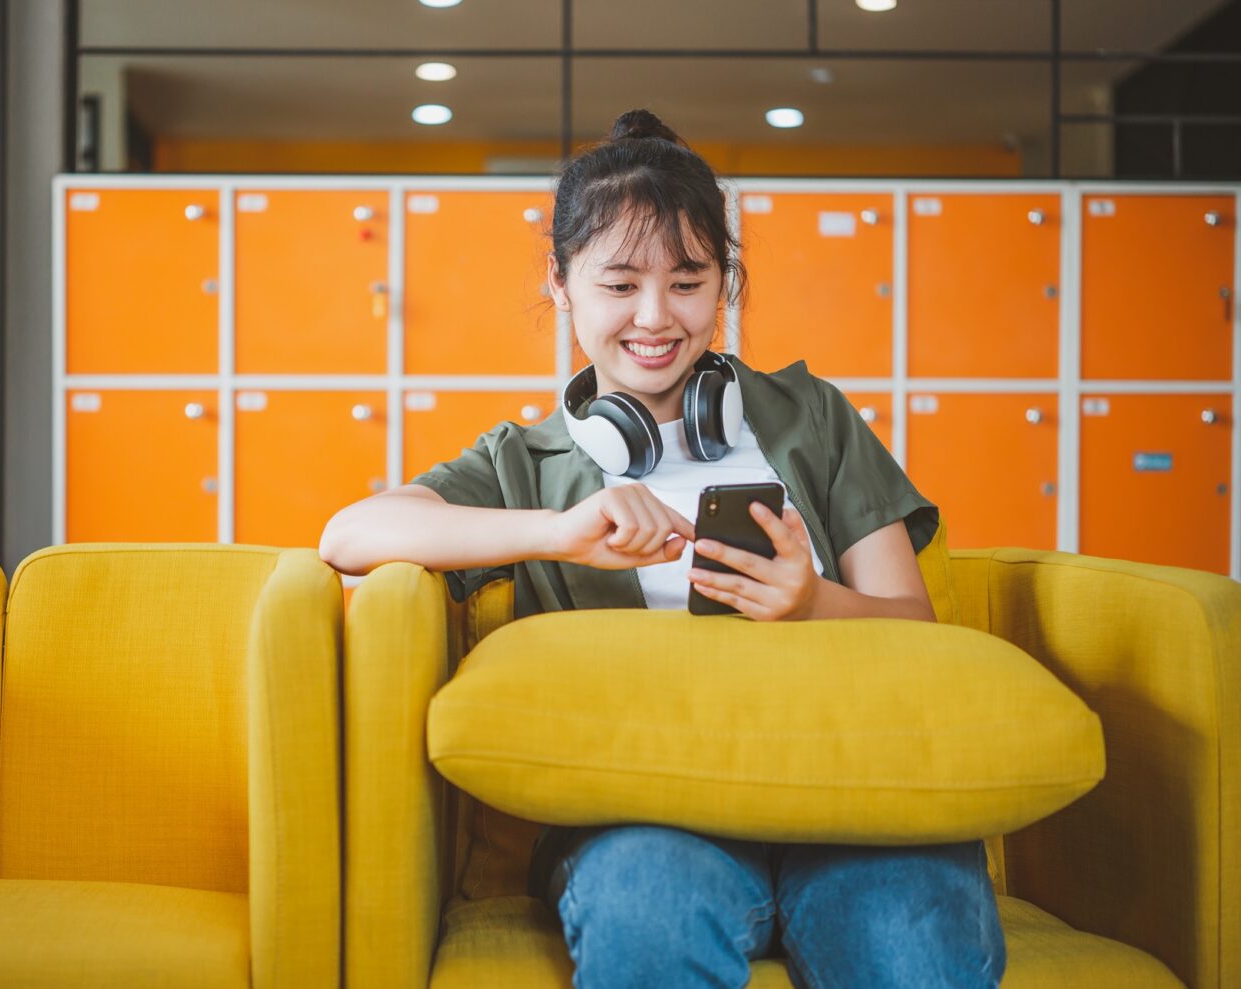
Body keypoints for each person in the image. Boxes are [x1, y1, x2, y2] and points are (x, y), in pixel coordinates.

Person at [320, 109, 1006, 989]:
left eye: (689, 281)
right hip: (644, 817)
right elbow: (351, 534)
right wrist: (559, 530)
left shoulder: (812, 417)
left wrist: (813, 603)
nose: (657, 317)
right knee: (649, 909)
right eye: (619, 285)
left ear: (725, 281)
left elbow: (915, 623)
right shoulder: (522, 463)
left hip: (848, 794)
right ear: (561, 281)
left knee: (911, 935)